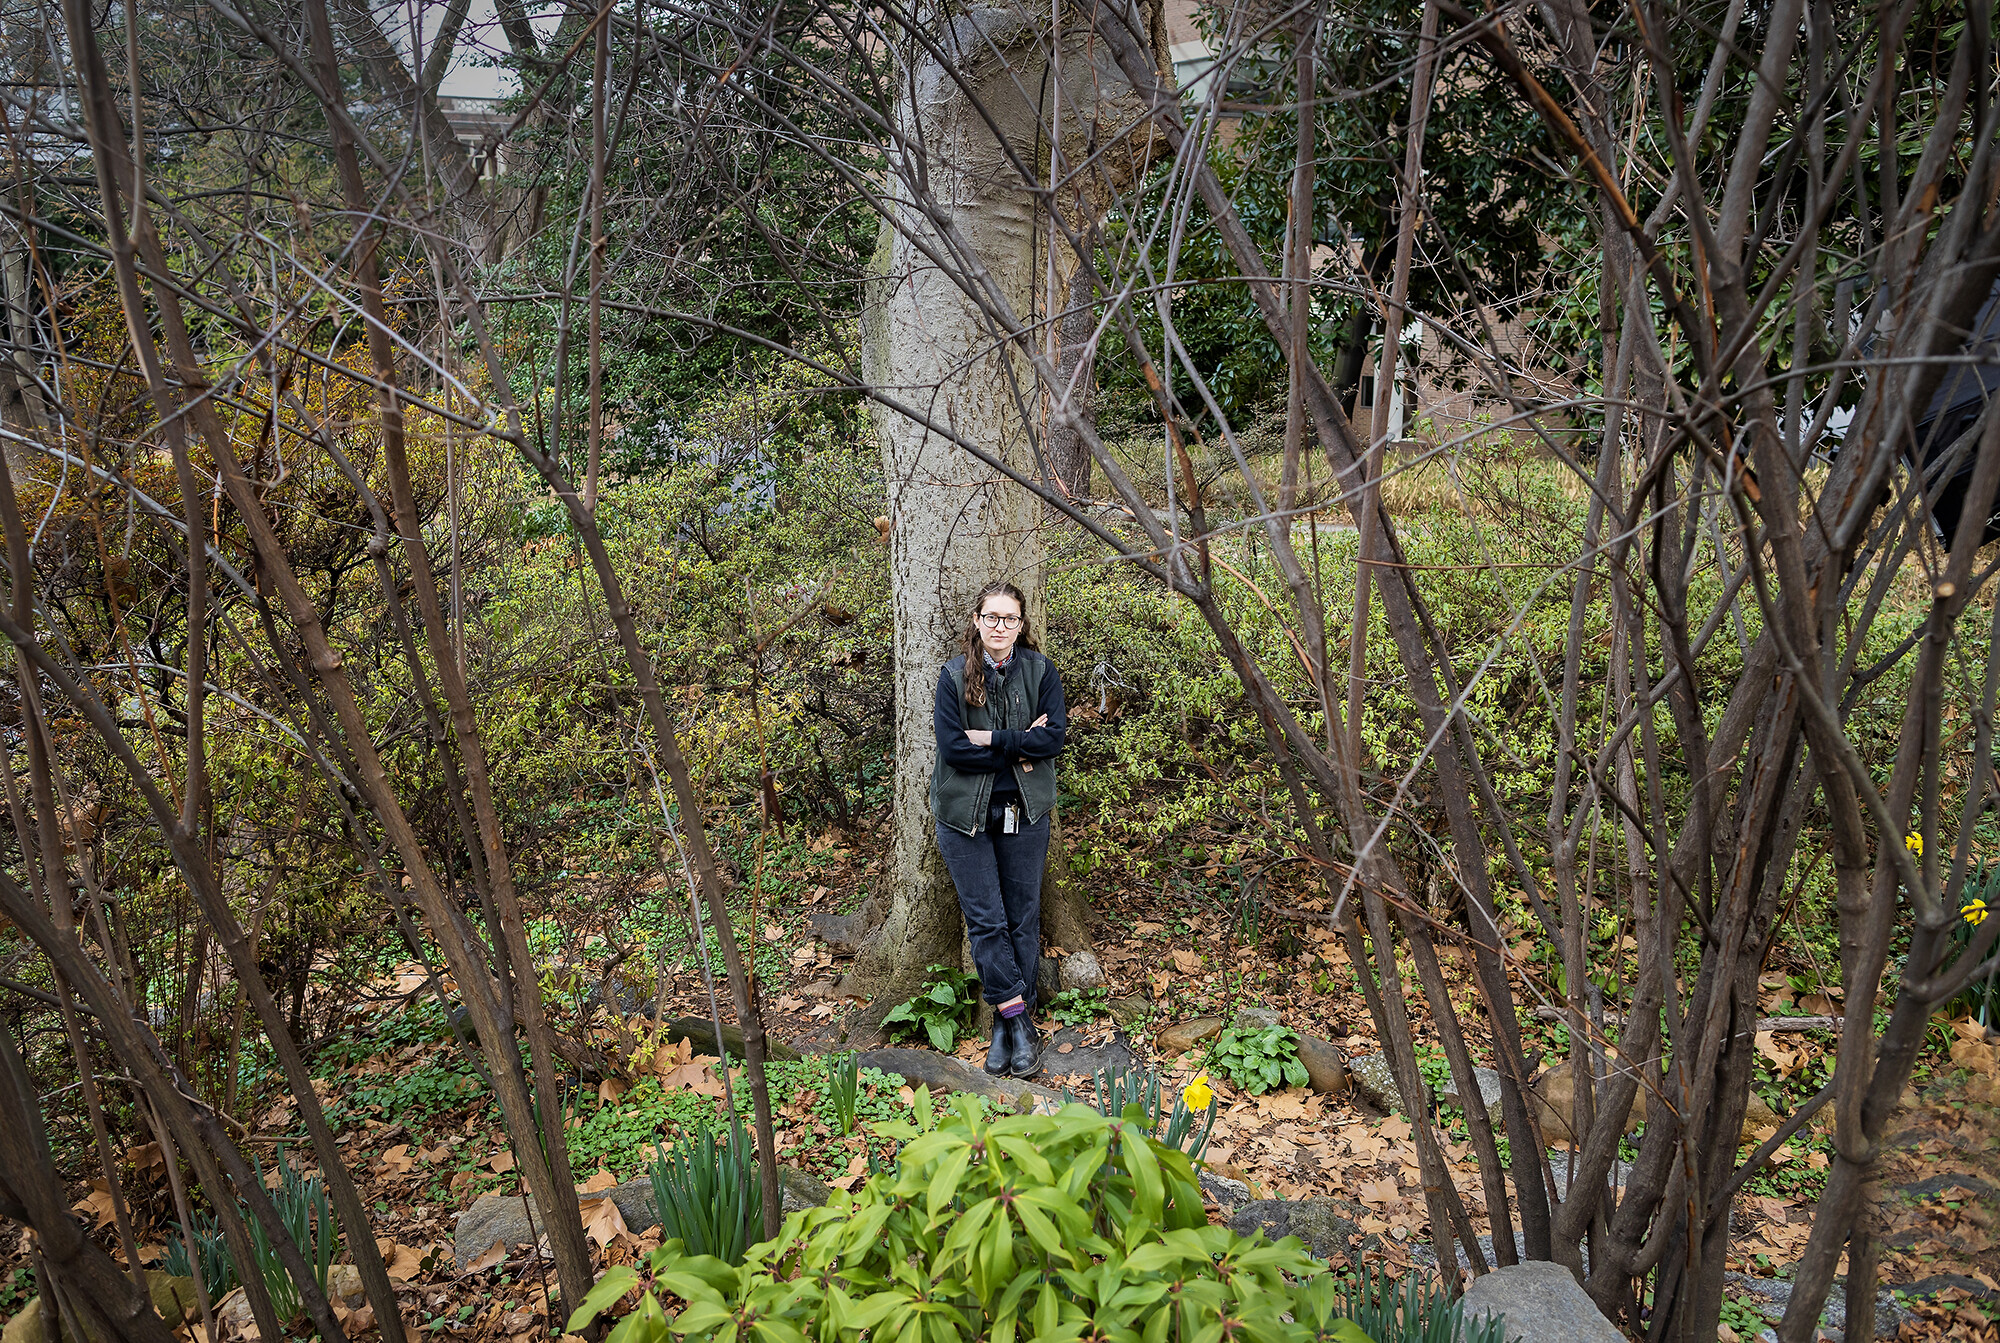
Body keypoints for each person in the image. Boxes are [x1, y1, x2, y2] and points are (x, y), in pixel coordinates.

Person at [930, 580, 1067, 1078]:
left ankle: (1011, 1026)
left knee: (1022, 917)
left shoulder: (1040, 671)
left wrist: (990, 737)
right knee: (986, 919)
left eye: (1010, 619)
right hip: (964, 815)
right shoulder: (953, 675)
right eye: (992, 618)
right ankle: (1015, 1019)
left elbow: (1053, 740)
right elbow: (953, 749)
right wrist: (1019, 743)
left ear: (1022, 624)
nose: (1000, 628)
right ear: (977, 620)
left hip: (1024, 811)